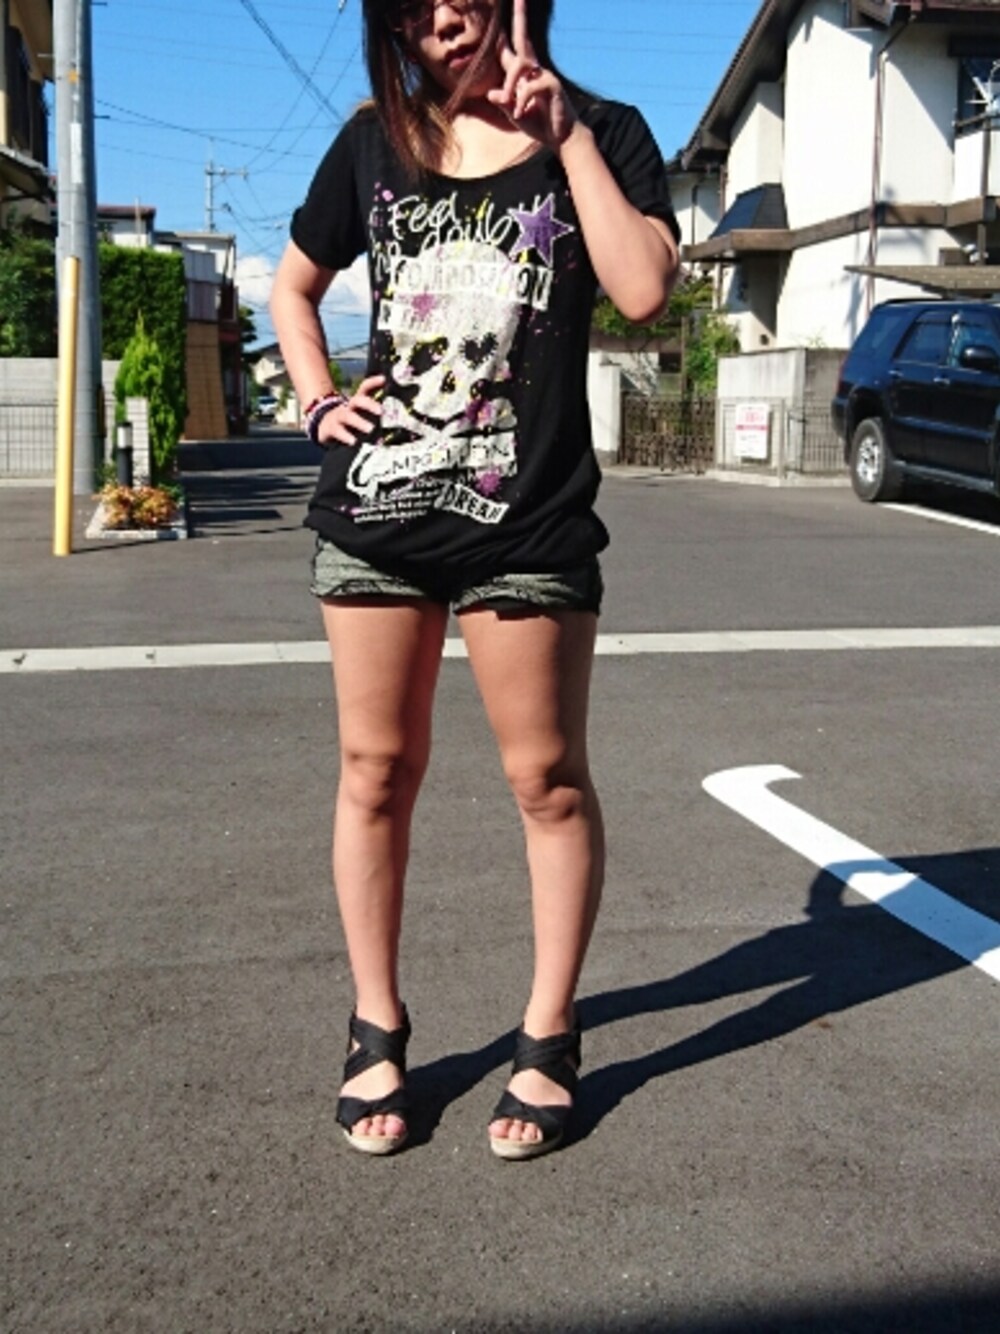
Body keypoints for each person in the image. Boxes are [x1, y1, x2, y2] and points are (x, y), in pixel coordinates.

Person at [270, 0, 680, 1160]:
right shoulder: (374, 142)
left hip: (527, 518)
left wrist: (568, 138)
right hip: (379, 510)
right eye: (413, 4)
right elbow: (292, 287)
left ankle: (548, 1033)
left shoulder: (603, 128)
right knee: (373, 770)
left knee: (545, 777)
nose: (442, 16)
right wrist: (316, 400)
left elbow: (644, 290)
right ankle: (375, 1023)